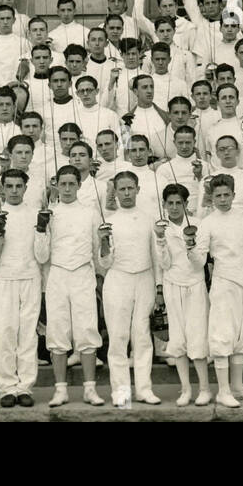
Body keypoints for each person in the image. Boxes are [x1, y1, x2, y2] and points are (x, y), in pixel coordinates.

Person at [35, 165, 105, 407]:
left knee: (86, 329)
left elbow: (99, 252)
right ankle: (60, 390)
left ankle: (89, 390)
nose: (66, 189)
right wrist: (42, 228)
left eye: (71, 184)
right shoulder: (50, 213)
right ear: (56, 185)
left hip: (83, 274)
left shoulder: (91, 213)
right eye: (62, 184)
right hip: (57, 275)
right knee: (57, 331)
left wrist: (98, 274)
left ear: (79, 185)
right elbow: (42, 256)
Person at [191, 174, 243, 407]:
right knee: (223, 335)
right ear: (211, 197)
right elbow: (199, 260)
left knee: (242, 337)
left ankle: (238, 387)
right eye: (218, 196)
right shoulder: (207, 223)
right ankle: (223, 391)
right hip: (223, 284)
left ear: (234, 194)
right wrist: (190, 249)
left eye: (226, 195)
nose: (222, 199)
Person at [97, 172, 163, 406]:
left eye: (130, 188)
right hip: (118, 280)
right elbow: (104, 263)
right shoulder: (109, 219)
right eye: (121, 189)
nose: (126, 193)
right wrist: (103, 241)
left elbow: (157, 257)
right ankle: (121, 392)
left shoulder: (148, 218)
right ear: (114, 191)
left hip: (144, 278)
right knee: (118, 336)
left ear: (137, 189)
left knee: (142, 336)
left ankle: (144, 389)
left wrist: (158, 287)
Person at [0, 168, 44, 407]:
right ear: (2, 188)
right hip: (4, 279)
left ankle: (25, 387)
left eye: (19, 186)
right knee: (5, 332)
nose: (15, 191)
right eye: (10, 186)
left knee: (27, 335)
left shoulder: (36, 214)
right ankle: (6, 387)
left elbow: (42, 254)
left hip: (30, 278)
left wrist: (42, 230)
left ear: (26, 188)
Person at [153, 183, 212, 406]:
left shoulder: (198, 225)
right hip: (171, 285)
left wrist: (191, 247)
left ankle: (204, 389)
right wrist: (159, 240)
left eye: (179, 203)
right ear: (164, 205)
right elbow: (164, 264)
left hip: (195, 286)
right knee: (177, 338)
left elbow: (200, 264)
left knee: (197, 336)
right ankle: (185, 389)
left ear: (186, 204)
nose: (175, 207)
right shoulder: (161, 228)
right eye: (170, 203)